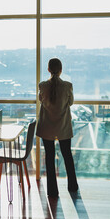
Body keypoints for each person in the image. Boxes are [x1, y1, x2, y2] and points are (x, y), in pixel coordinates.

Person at [36, 57, 78, 197]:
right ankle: (72, 186)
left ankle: (52, 191)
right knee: (67, 156)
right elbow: (70, 102)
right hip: (63, 126)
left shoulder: (42, 86)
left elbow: (41, 100)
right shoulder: (67, 86)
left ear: (48, 70)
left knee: (49, 157)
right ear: (61, 70)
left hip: (47, 126)